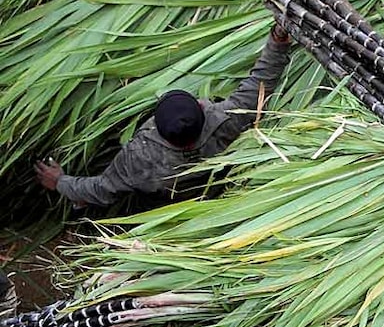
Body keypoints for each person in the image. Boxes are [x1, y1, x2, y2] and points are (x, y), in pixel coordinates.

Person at [35, 23, 294, 210]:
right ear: (202, 110)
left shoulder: (141, 156)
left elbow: (103, 190)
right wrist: (278, 41)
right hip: (213, 202)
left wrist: (61, 182)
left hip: (162, 212)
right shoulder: (225, 122)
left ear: (156, 128)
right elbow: (259, 84)